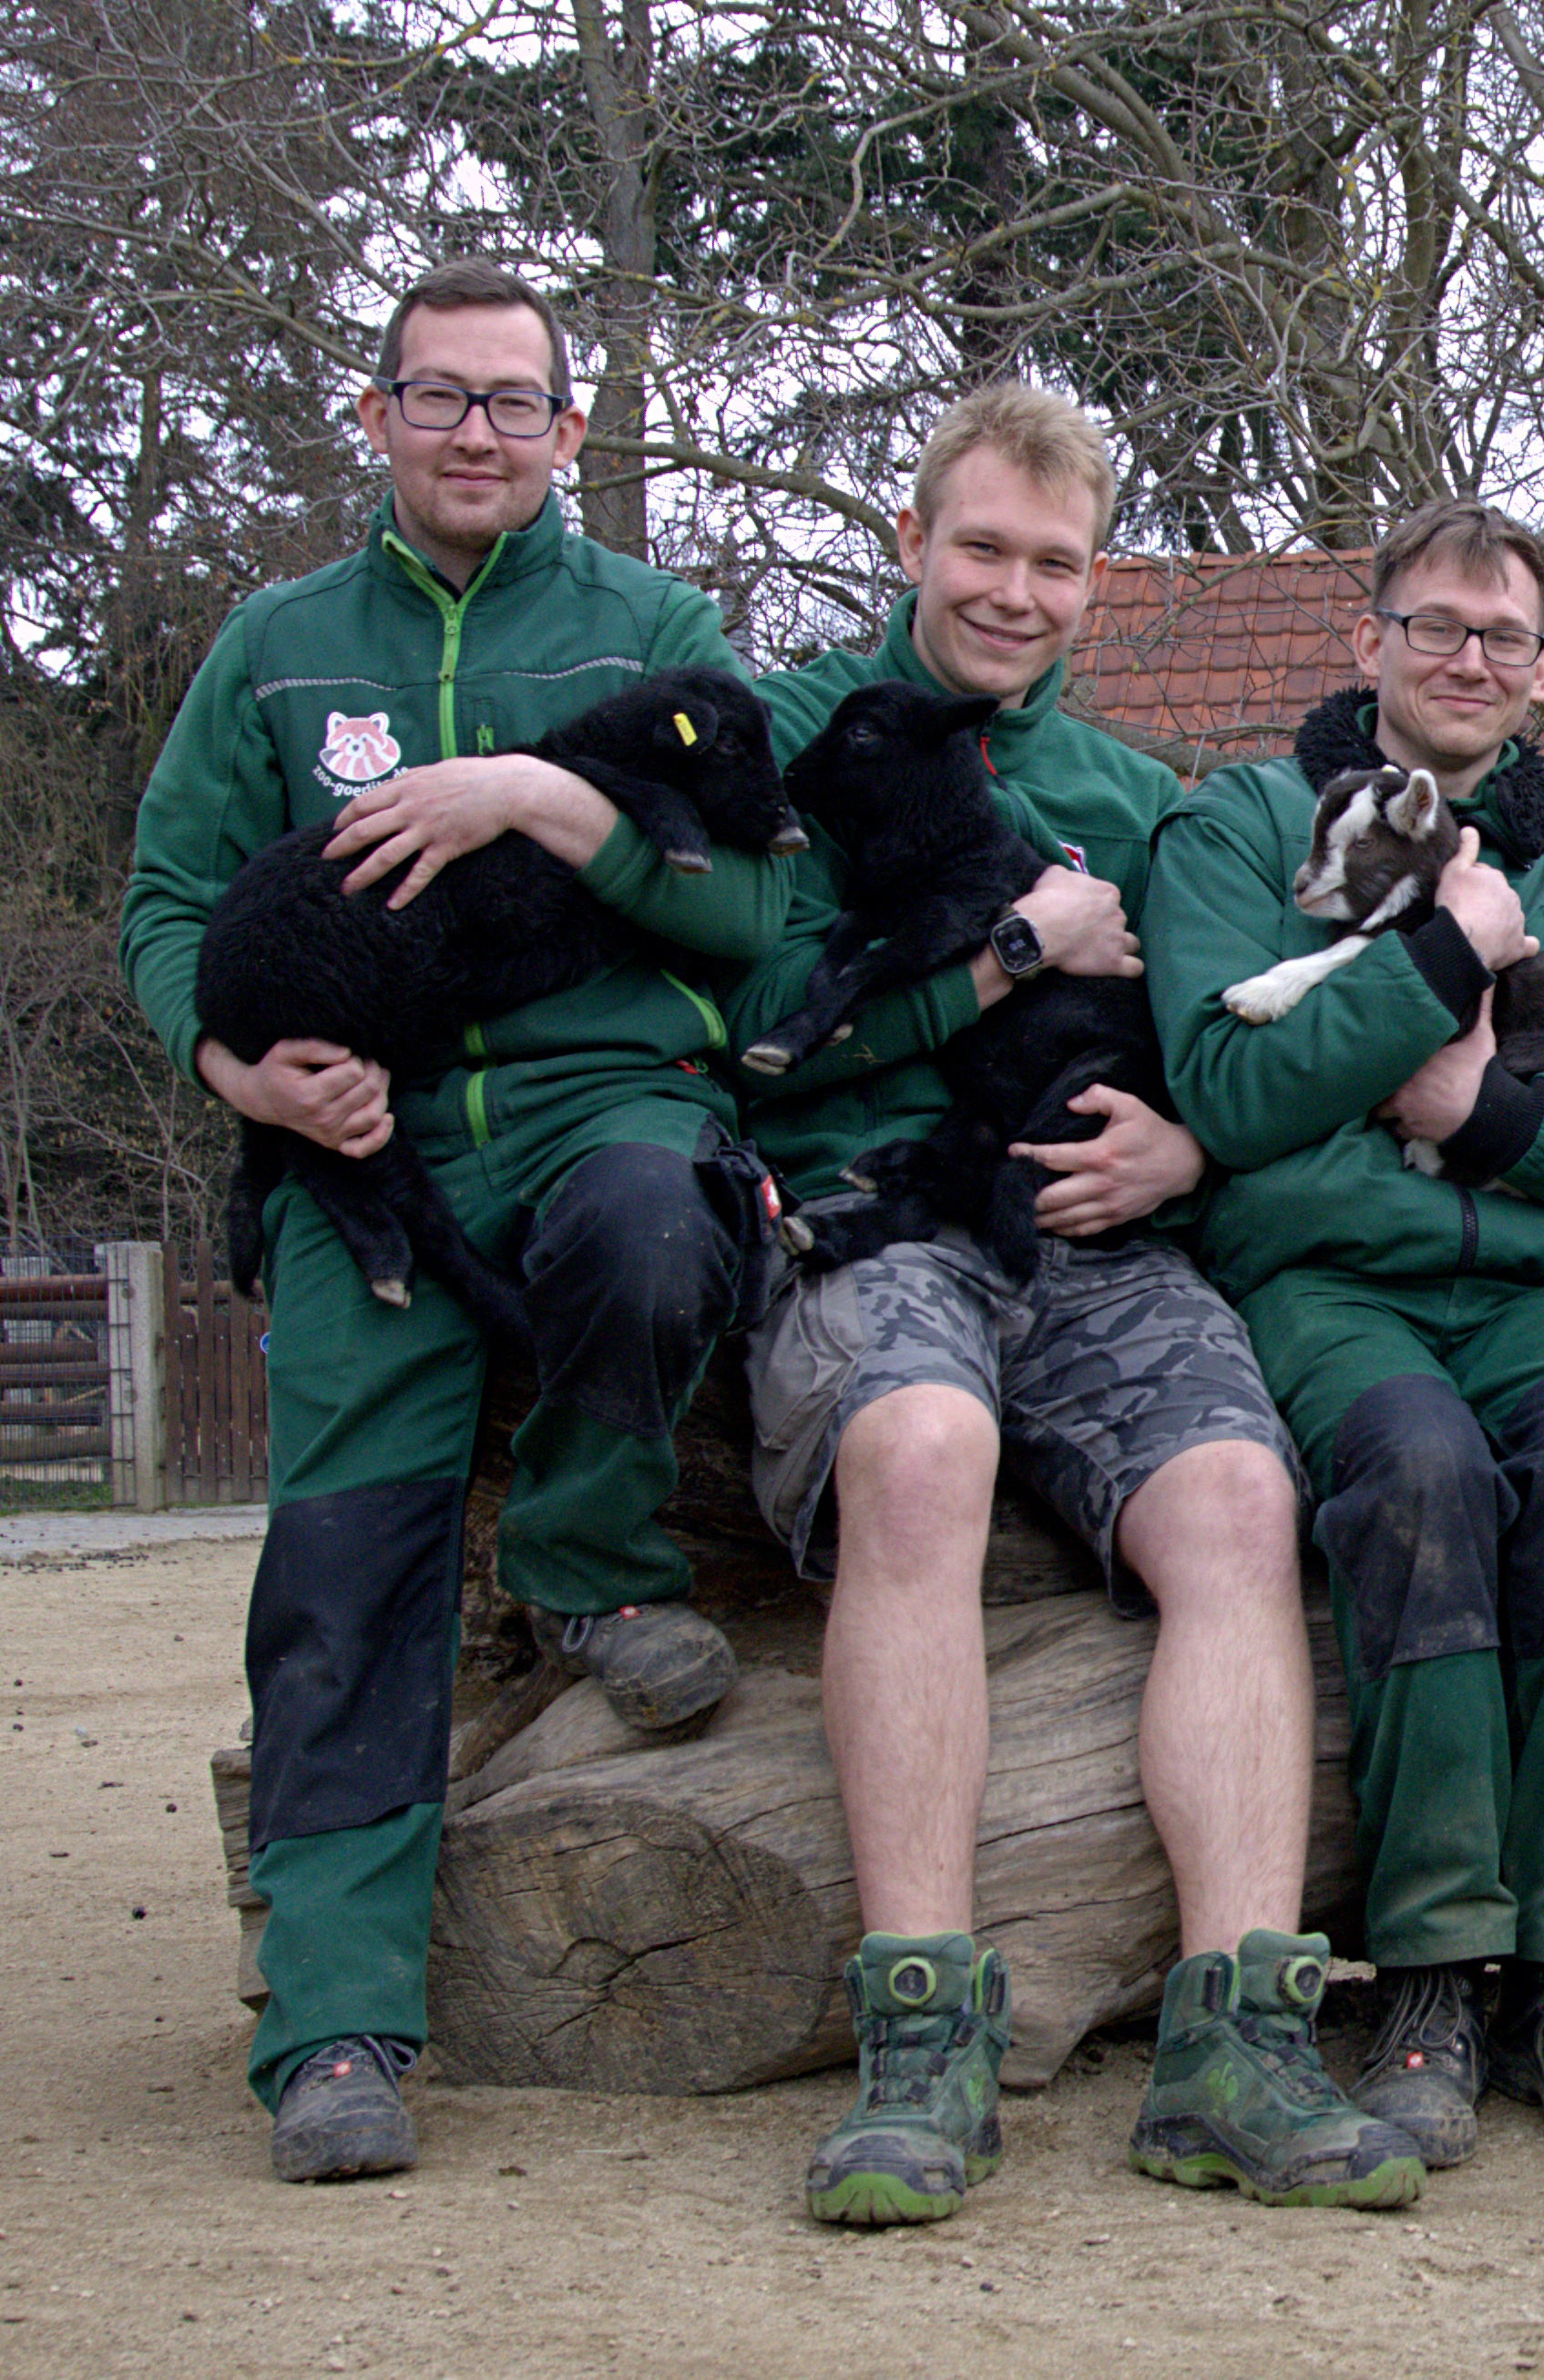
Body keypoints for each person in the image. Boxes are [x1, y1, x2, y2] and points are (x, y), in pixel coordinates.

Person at [119, 261, 786, 2182]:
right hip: (367, 1143)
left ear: (571, 429)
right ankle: (335, 2026)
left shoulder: (652, 628)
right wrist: (243, 1075)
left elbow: (748, 913)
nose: (475, 432)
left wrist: (527, 796)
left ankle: (587, 1558)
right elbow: (168, 905)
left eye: (513, 401)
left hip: (604, 1094)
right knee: (340, 1572)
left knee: (653, 1229)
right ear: (380, 415)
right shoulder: (276, 646)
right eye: (439, 396)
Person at [725, 384, 1417, 2223]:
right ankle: (921, 2042)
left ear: (1095, 583)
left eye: (1054, 562)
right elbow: (744, 1030)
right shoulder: (795, 738)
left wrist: (1184, 1149)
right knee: (922, 1448)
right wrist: (1010, 951)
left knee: (1239, 1500)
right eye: (981, 548)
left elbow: (1210, 1044)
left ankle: (1237, 2046)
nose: (1013, 591)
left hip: (1091, 1237)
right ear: (909, 543)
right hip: (871, 1215)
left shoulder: (1134, 796)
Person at [1150, 498, 1544, 2168]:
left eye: (1504, 637)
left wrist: (1484, 1114)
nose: (1467, 659)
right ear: (1370, 642)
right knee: (1416, 1471)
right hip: (1339, 1288)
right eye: (1434, 626)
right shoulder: (1241, 833)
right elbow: (1234, 1096)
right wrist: (1441, 961)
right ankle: (1430, 1974)